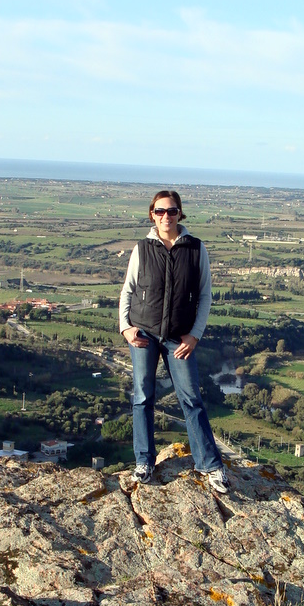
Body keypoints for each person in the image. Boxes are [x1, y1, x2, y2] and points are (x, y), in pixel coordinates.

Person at [119, 189, 229, 494]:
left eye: (171, 211)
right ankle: (144, 461)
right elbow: (128, 290)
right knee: (143, 397)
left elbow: (205, 295)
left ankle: (210, 465)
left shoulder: (196, 249)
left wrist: (195, 335)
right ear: (152, 215)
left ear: (180, 213)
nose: (165, 216)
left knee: (191, 398)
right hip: (143, 332)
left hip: (179, 337)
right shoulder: (142, 248)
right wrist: (125, 328)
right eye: (160, 211)